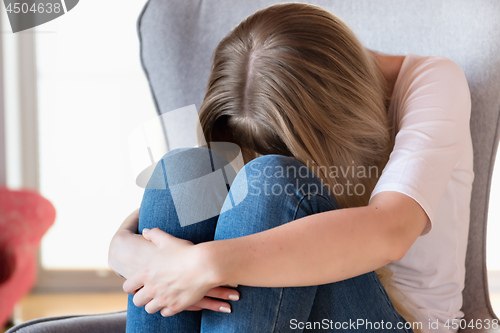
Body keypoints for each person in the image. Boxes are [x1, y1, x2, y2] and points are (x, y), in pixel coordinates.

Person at [108, 3, 473, 333]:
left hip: (396, 319)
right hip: (280, 305)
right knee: (182, 171)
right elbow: (185, 205)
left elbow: (392, 231)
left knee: (271, 181)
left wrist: (205, 263)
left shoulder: (433, 81)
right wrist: (124, 245)